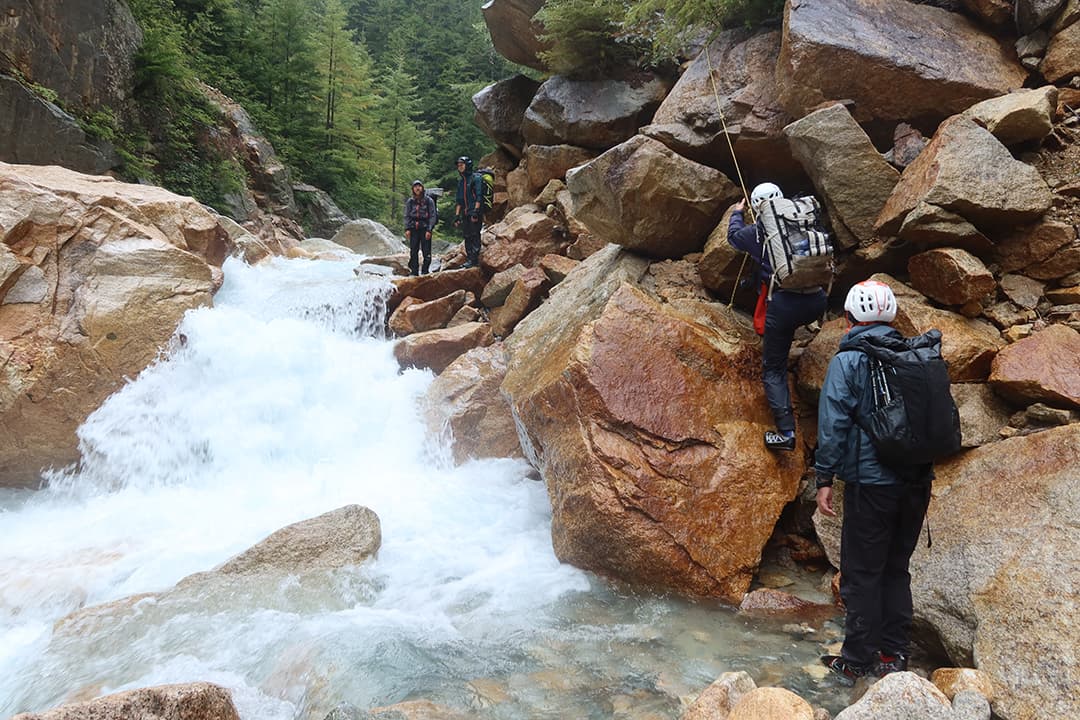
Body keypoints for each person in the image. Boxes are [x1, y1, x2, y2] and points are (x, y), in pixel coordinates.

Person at [815, 279, 933, 685]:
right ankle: (893, 653)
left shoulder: (848, 361)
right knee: (896, 569)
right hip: (917, 481)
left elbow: (832, 424)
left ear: (849, 318)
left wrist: (824, 477)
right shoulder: (915, 354)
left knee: (862, 572)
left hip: (872, 483)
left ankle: (857, 660)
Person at [727, 182, 827, 452]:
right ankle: (814, 331)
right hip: (817, 299)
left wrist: (737, 213)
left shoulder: (758, 230)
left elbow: (733, 237)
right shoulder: (802, 217)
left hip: (785, 305)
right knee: (787, 317)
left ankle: (786, 433)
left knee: (773, 369)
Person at [453, 156, 484, 268]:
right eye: (458, 165)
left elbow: (479, 196)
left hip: (475, 211)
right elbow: (459, 200)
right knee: (467, 235)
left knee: (475, 234)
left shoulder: (476, 178)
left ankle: (474, 260)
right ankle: (469, 259)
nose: (459, 167)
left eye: (462, 164)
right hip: (465, 212)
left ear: (468, 165)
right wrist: (457, 216)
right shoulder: (461, 182)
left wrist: (476, 210)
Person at [404, 179, 436, 275]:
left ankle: (425, 271)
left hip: (425, 227)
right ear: (413, 189)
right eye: (415, 187)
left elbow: (433, 215)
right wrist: (407, 228)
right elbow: (407, 215)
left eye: (419, 186)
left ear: (422, 188)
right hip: (413, 228)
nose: (417, 188)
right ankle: (414, 271)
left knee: (426, 252)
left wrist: (429, 229)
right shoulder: (410, 201)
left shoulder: (428, 201)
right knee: (413, 251)